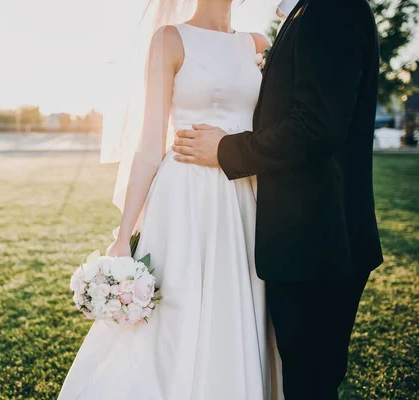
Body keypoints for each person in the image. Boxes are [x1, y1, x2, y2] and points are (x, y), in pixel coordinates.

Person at [58, 0, 284, 399]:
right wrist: (123, 233)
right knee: (178, 313)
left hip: (244, 198)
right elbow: (148, 145)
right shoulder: (170, 39)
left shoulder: (259, 44)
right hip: (186, 200)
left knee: (239, 307)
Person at [172, 0, 383, 398]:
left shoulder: (333, 9)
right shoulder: (310, 11)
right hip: (310, 240)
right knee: (306, 379)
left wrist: (225, 150)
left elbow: (315, 127)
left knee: (309, 383)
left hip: (318, 240)